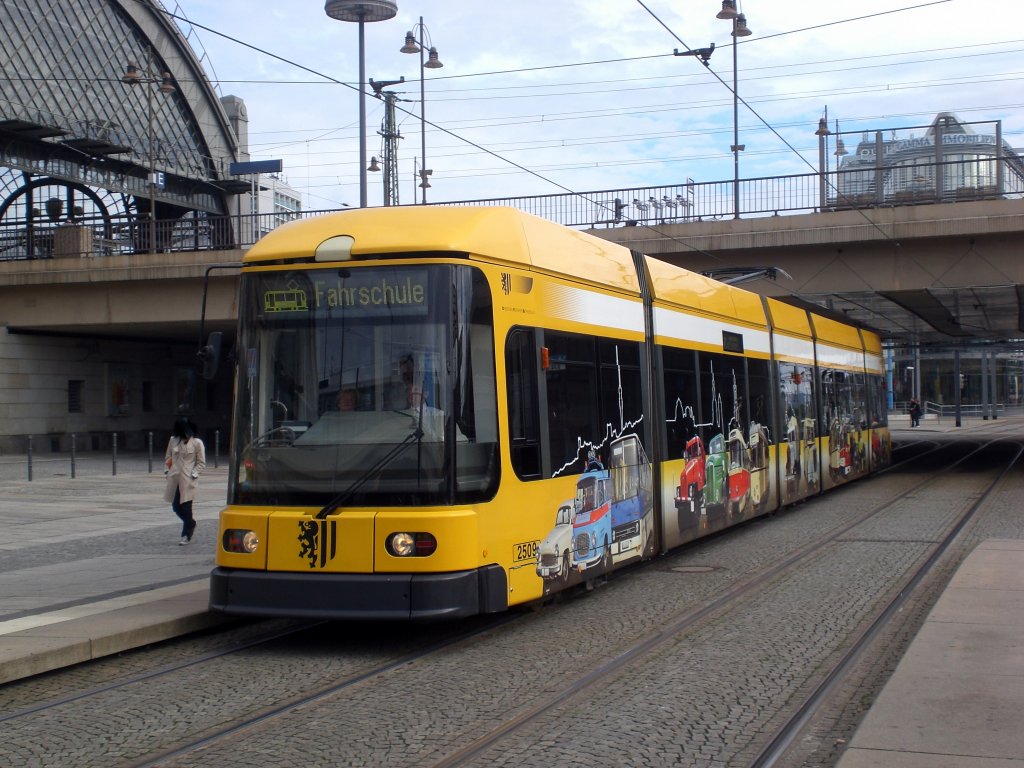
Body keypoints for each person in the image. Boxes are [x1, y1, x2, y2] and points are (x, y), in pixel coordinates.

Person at [164, 417, 206, 545]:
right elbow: (168, 457)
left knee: (186, 507)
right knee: (176, 506)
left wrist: (194, 473)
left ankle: (186, 534)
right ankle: (191, 523)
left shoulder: (197, 443)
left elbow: (201, 462)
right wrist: (167, 470)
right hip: (175, 477)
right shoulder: (173, 440)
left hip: (188, 479)